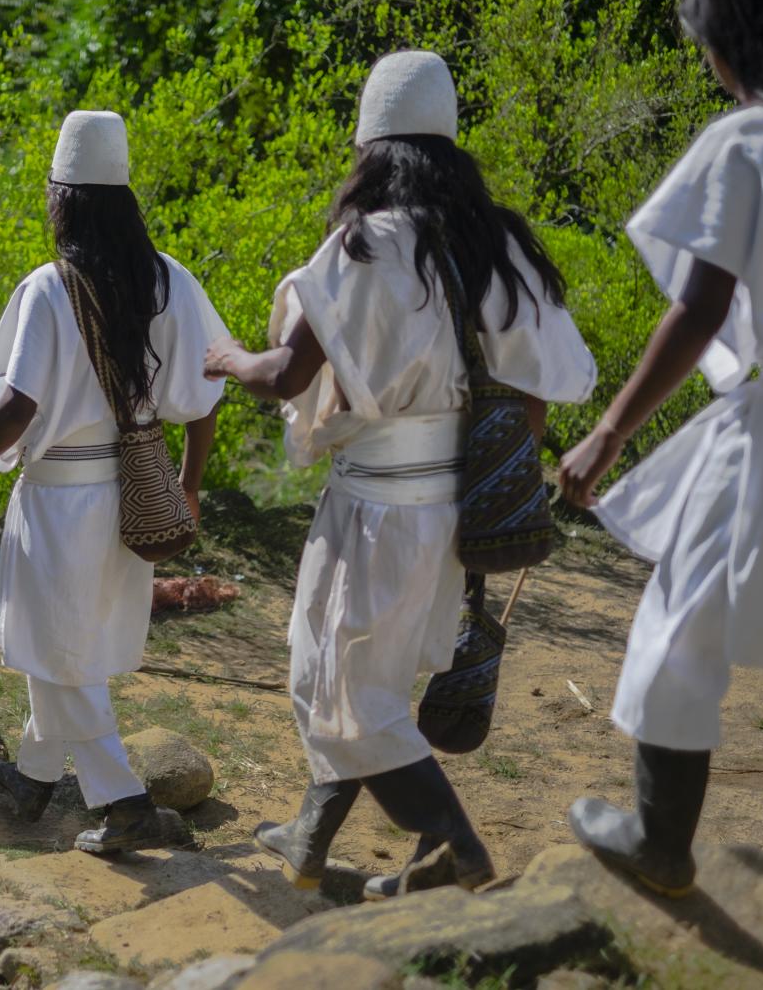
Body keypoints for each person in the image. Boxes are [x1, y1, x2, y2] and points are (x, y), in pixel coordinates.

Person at [204, 51, 596, 897]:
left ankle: (455, 846)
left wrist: (232, 359)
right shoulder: (499, 243)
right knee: (345, 672)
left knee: (347, 686)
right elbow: (539, 395)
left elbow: (285, 374)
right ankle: (316, 836)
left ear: (370, 150)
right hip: (454, 506)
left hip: (377, 508)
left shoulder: (366, 246)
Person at [558, 0, 763, 895]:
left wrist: (610, 428)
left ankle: (660, 842)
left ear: (740, 39)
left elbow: (702, 306)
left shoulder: (752, 141)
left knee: (682, 618)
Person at [0, 111, 228, 854]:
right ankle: (35, 776)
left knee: (60, 650)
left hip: (60, 497)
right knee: (64, 644)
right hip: (133, 491)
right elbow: (208, 395)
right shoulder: (169, 279)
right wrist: (188, 485)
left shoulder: (50, 287)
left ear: (63, 200)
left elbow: (19, 403)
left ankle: (124, 801)